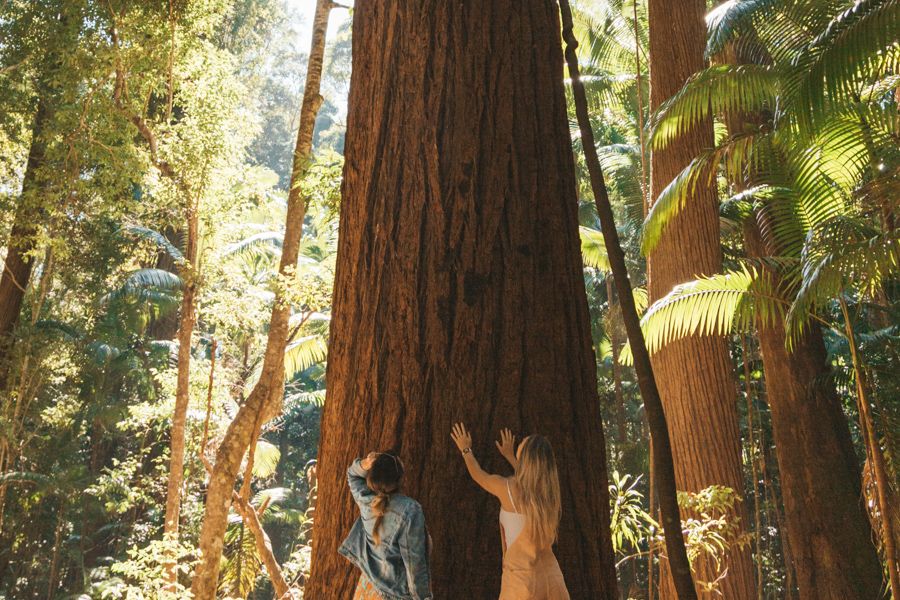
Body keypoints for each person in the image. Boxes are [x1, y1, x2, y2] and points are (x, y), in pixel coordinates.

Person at [451, 423, 570, 600]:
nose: (520, 442)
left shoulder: (506, 488)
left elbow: (479, 475)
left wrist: (465, 449)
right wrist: (509, 456)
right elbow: (529, 479)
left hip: (522, 584)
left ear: (526, 457)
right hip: (552, 580)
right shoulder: (548, 494)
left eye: (523, 442)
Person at [339, 451, 433, 600]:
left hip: (366, 589)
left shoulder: (366, 500)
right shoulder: (410, 510)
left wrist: (365, 463)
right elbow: (414, 563)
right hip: (393, 594)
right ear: (400, 478)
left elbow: (352, 474)